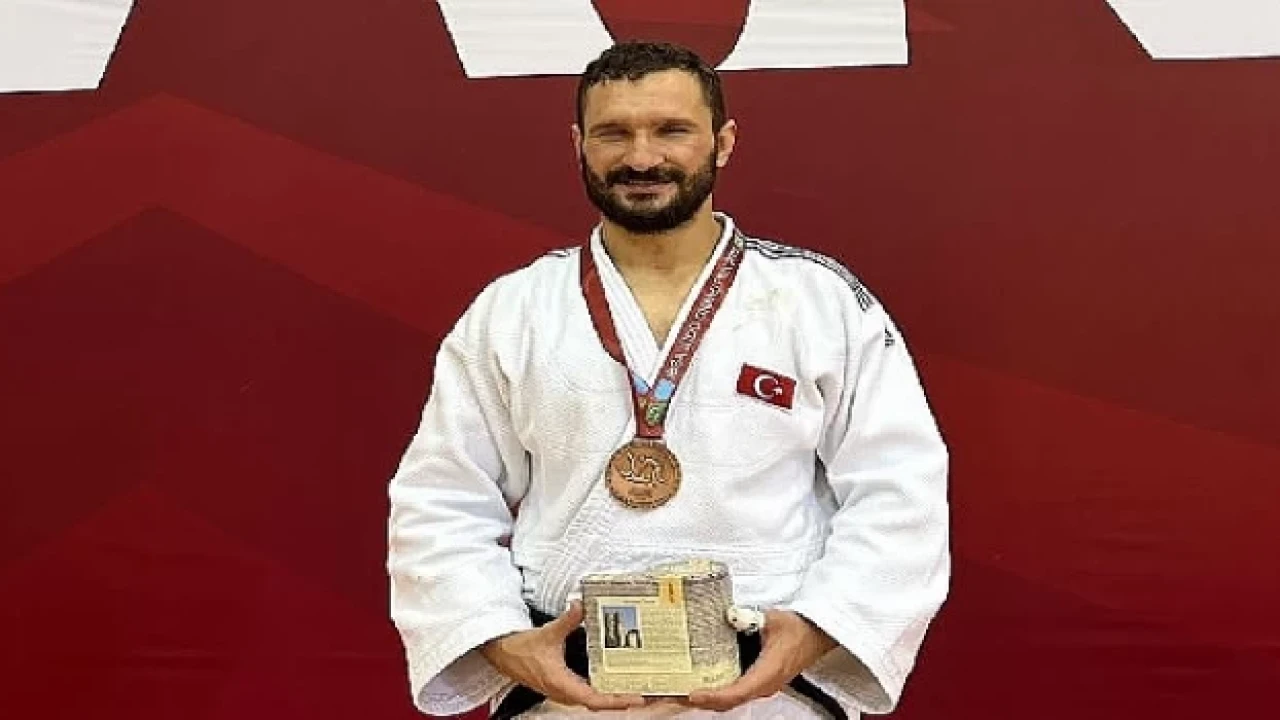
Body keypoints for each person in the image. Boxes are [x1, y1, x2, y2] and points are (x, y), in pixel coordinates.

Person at [386, 41, 950, 719]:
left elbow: (900, 486)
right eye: (613, 133)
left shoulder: (819, 302)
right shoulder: (514, 310)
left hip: (771, 693)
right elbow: (441, 496)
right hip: (567, 695)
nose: (643, 157)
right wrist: (501, 641)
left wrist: (818, 631)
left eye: (671, 130)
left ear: (723, 142)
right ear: (578, 145)